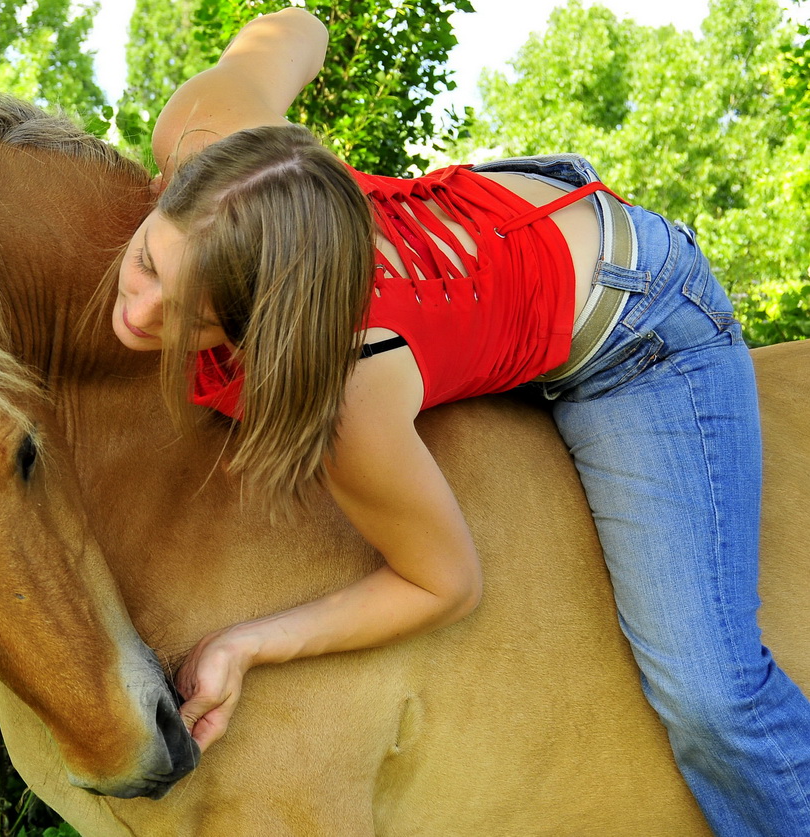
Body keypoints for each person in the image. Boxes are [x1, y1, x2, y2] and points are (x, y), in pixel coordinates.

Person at [109, 8, 810, 836]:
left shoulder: (347, 384)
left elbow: (444, 582)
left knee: (709, 691)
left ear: (271, 324)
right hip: (511, 215)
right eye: (150, 260)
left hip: (639, 317)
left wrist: (252, 642)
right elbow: (294, 28)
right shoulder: (211, 149)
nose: (144, 307)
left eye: (196, 315)